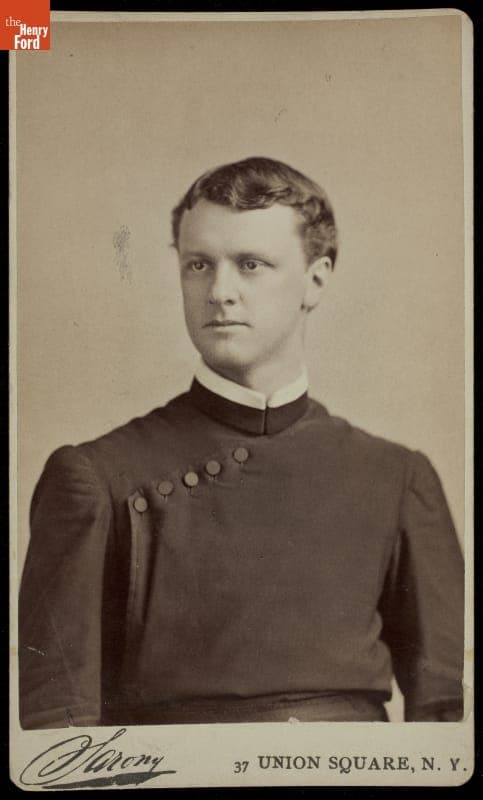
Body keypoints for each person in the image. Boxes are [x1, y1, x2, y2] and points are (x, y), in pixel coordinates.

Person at [19, 157, 464, 728]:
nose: (219, 292)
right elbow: (57, 728)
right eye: (198, 264)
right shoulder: (96, 477)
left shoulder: (396, 478)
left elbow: (445, 720)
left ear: (316, 279)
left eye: (251, 265)